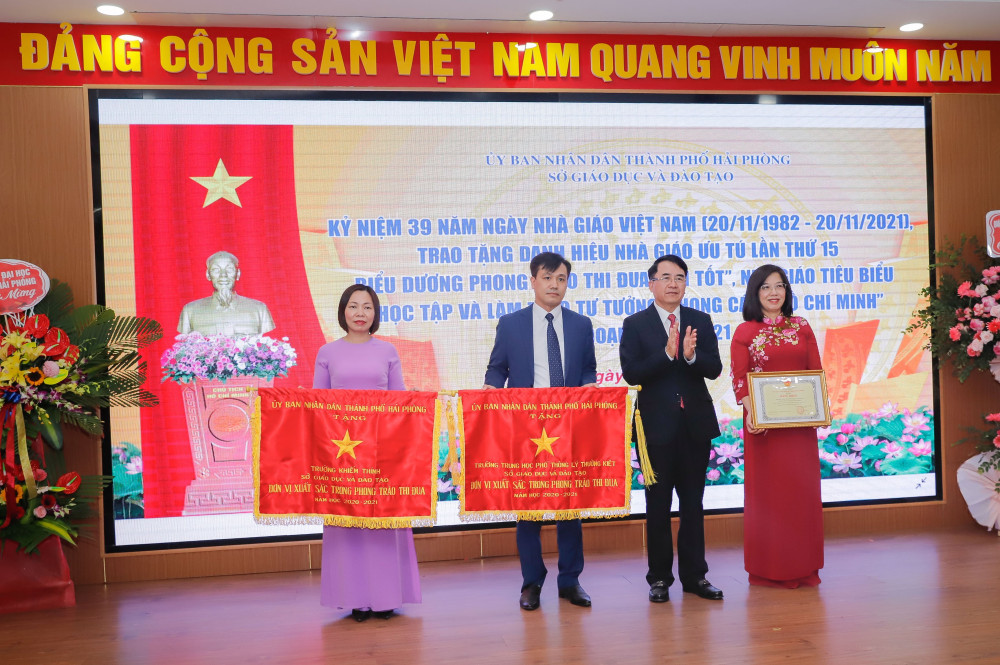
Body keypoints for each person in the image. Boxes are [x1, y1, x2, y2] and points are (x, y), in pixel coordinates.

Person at [484, 251, 598, 611]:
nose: (554, 285)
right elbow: (497, 368)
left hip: (568, 425)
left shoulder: (581, 325)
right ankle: (531, 582)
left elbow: (588, 369)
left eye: (561, 279)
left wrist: (590, 386)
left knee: (569, 507)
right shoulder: (511, 324)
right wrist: (490, 389)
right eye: (547, 278)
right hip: (526, 427)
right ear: (533, 281)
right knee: (528, 508)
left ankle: (570, 580)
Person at [619, 254, 724, 603]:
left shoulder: (700, 320)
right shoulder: (635, 324)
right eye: (665, 277)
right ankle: (660, 578)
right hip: (655, 430)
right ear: (652, 284)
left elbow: (714, 368)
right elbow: (631, 373)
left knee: (693, 504)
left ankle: (695, 577)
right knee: (658, 505)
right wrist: (666, 354)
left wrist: (691, 357)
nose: (673, 284)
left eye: (679, 277)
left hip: (695, 426)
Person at [312, 283, 420, 621]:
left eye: (367, 307)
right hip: (342, 455)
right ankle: (355, 599)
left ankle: (387, 598)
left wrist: (417, 400)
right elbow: (317, 405)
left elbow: (400, 401)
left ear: (376, 313)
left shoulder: (387, 350)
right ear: (343, 311)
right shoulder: (327, 352)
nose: (360, 313)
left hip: (381, 451)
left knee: (382, 522)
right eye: (354, 306)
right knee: (349, 524)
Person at [730, 264, 824, 588]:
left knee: (801, 495)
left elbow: (815, 373)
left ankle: (804, 567)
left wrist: (818, 410)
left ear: (787, 291)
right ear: (755, 293)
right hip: (764, 430)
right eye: (766, 287)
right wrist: (752, 412)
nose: (774, 292)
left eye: (779, 285)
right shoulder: (745, 331)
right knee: (770, 500)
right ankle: (769, 569)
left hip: (800, 429)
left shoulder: (802, 326)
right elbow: (739, 379)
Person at [178, 250, 275, 337]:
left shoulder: (259, 309)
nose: (223, 275)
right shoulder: (190, 311)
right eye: (216, 270)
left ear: (238, 274)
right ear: (208, 275)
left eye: (229, 269)